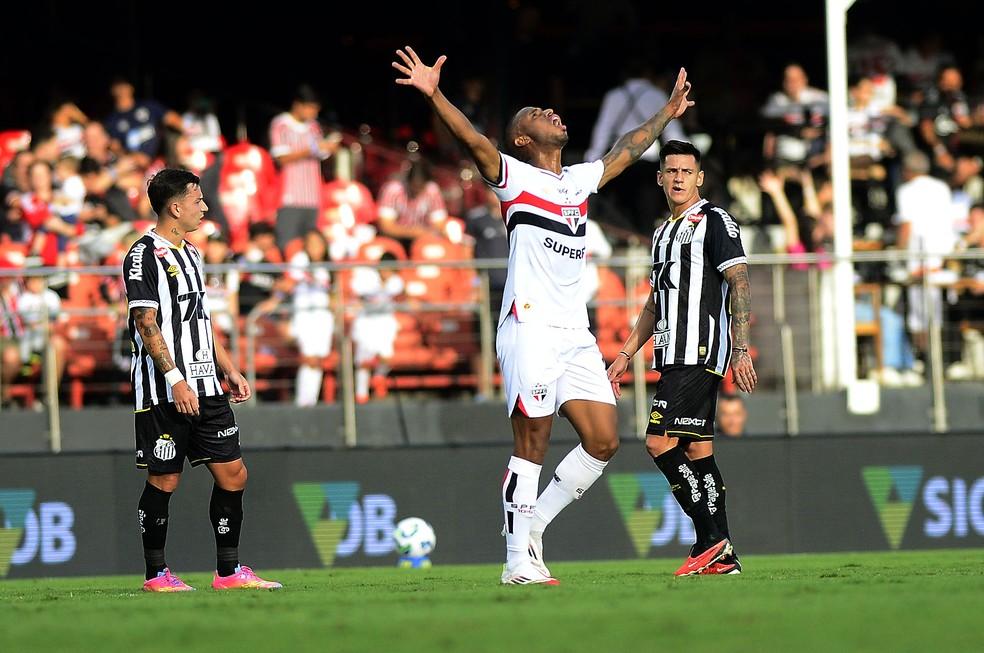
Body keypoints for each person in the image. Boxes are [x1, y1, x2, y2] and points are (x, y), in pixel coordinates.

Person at [394, 45, 693, 584]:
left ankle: (533, 526)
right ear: (522, 139)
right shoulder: (512, 176)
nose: (550, 112)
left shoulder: (577, 180)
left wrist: (667, 114)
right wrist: (435, 95)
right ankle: (516, 562)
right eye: (536, 113)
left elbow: (627, 148)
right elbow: (472, 139)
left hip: (575, 333)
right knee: (531, 443)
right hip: (528, 325)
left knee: (603, 440)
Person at [122, 168, 280, 591]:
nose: (205, 207)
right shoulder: (143, 255)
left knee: (234, 475)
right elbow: (146, 323)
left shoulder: (191, 252)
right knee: (165, 479)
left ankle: (228, 572)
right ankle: (156, 574)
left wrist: (228, 368)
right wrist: (175, 379)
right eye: (198, 200)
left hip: (207, 384)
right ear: (175, 207)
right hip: (165, 388)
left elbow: (199, 321)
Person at [607, 140, 757, 576]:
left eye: (686, 172)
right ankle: (723, 557)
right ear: (659, 178)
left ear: (699, 178)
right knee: (697, 450)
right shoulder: (661, 233)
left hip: (700, 349)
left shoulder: (714, 221)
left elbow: (739, 280)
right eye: (671, 171)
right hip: (671, 352)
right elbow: (656, 301)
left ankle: (711, 540)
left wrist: (741, 347)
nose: (678, 178)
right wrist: (626, 353)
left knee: (657, 442)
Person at [269, 84, 341, 248]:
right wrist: (312, 149)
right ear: (297, 105)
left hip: (313, 199)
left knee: (312, 246)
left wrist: (330, 149)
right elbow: (281, 158)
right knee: (288, 245)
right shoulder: (281, 124)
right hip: (290, 198)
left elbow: (321, 154)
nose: (314, 113)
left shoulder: (314, 126)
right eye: (311, 108)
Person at [350, 252, 404, 403]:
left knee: (386, 357)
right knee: (364, 360)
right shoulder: (366, 277)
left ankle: (379, 378)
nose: (387, 272)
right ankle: (361, 394)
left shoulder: (397, 282)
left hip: (384, 321)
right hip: (366, 321)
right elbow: (361, 296)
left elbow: (397, 294)